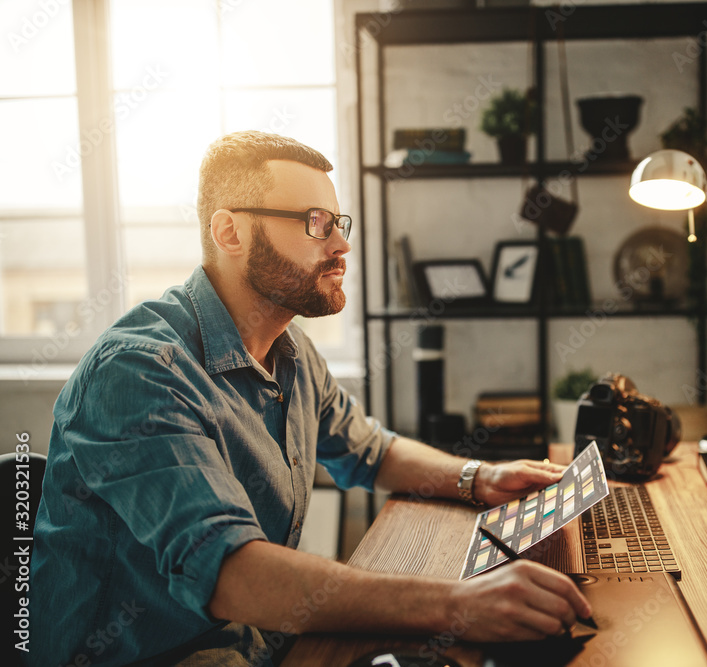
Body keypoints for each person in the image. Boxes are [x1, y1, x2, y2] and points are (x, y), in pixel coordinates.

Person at [27, 131, 591, 666]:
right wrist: (458, 605)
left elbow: (369, 451)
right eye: (314, 223)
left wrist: (477, 477)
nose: (342, 243)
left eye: (338, 222)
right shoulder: (139, 372)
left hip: (259, 642)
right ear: (230, 233)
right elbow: (231, 574)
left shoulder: (288, 347)